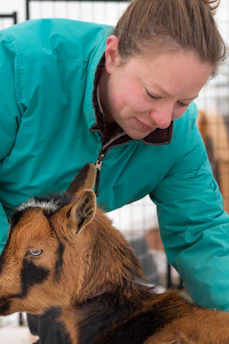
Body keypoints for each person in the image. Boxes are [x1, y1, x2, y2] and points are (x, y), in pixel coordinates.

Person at [0, 0, 228, 343]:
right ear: (113, 54)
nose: (164, 119)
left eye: (183, 102)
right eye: (153, 93)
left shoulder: (178, 139)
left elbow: (200, 232)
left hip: (62, 255)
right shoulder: (20, 68)